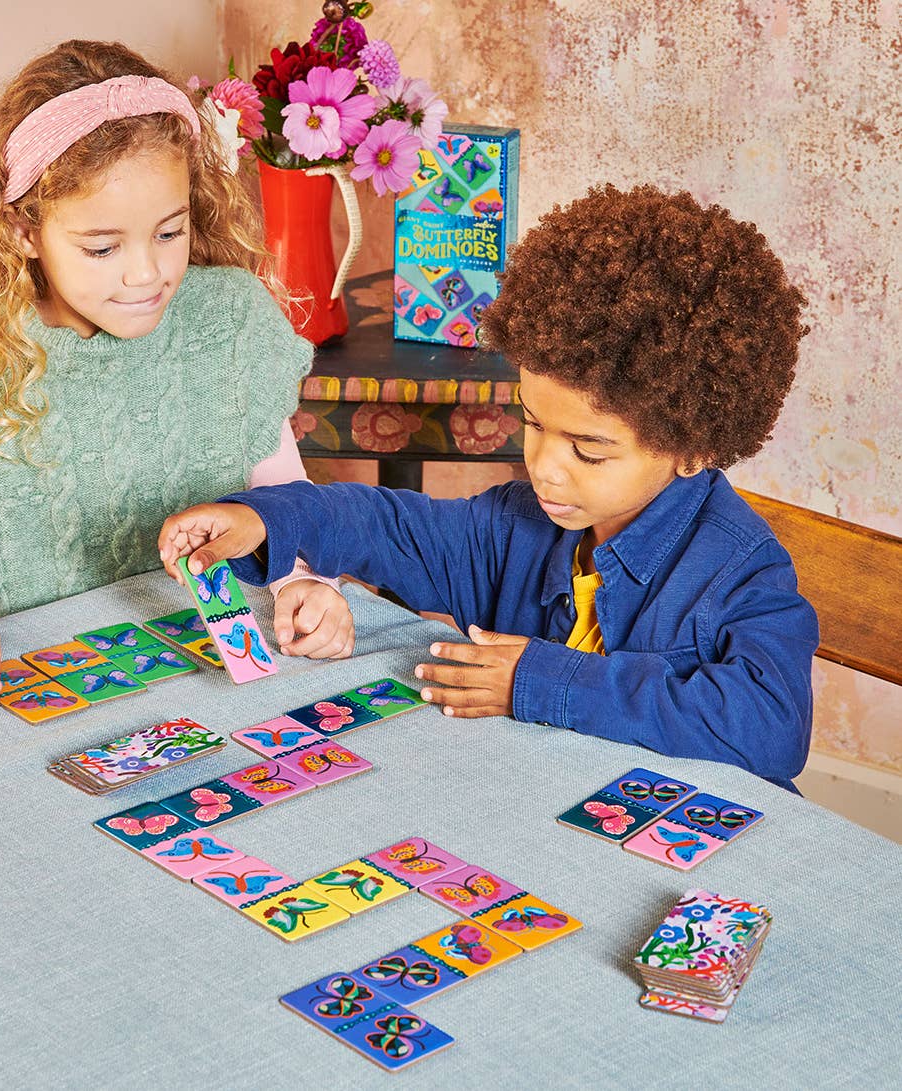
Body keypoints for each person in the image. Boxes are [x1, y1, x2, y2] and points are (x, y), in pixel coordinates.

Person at [157, 184, 819, 791]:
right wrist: (267, 520)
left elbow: (769, 730)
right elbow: (386, 525)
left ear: (691, 447)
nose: (545, 468)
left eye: (587, 449)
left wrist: (540, 682)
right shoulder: (520, 523)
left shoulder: (740, 567)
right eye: (533, 424)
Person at [0, 39, 354, 708]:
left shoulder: (230, 318)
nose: (147, 272)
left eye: (170, 231)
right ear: (22, 230)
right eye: (102, 247)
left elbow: (281, 491)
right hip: (52, 675)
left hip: (221, 669)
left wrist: (306, 581)